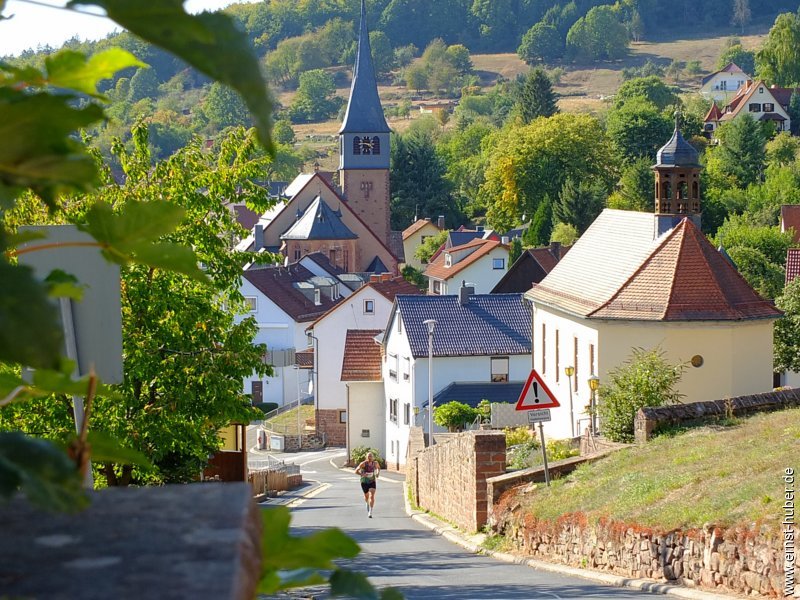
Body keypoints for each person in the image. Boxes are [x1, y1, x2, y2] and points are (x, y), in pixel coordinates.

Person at [354, 452, 380, 518]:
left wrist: (377, 473)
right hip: (364, 481)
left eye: (371, 456)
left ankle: (370, 512)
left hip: (372, 481)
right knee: (366, 496)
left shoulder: (375, 463)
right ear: (366, 457)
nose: (370, 458)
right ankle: (367, 503)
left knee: (372, 496)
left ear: (373, 457)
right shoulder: (363, 464)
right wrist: (362, 474)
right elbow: (356, 471)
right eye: (368, 456)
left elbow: (378, 468)